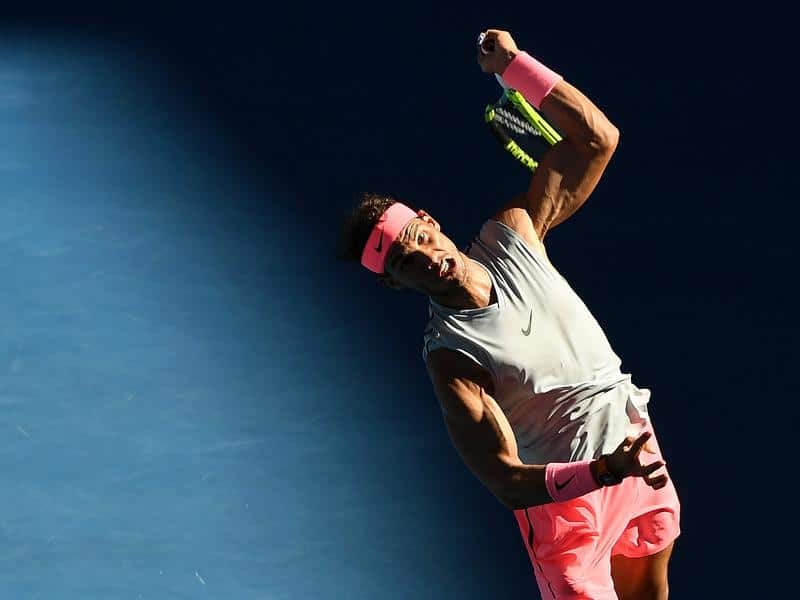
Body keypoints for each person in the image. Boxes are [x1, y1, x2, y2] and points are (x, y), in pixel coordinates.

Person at [339, 28, 680, 600]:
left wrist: (517, 68)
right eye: (405, 261)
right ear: (397, 283)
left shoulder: (515, 234)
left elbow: (597, 140)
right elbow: (504, 479)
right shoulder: (450, 359)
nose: (427, 255)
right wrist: (597, 473)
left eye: (420, 236)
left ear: (431, 219)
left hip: (633, 442)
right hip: (569, 513)